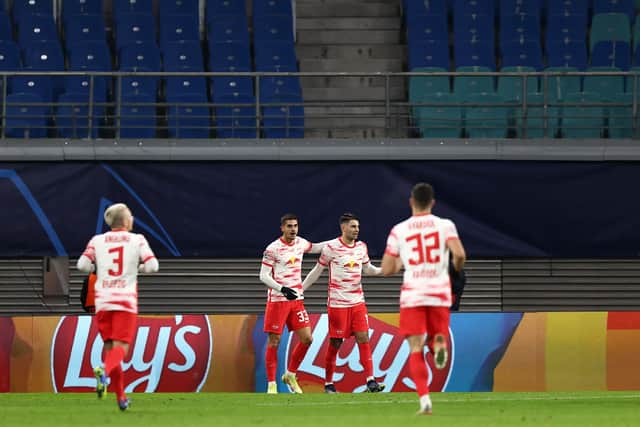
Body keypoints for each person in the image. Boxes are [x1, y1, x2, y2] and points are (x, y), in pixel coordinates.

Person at [381, 183, 466, 415]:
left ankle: (425, 400)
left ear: (411, 202)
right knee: (437, 336)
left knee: (415, 347)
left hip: (413, 294)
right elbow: (459, 254)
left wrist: (402, 262)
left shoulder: (399, 230)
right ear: (432, 203)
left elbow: (387, 269)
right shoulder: (445, 225)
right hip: (439, 292)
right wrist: (455, 269)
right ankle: (438, 343)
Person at [77, 203, 159, 411]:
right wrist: (136, 268)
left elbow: (82, 266)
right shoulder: (137, 239)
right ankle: (103, 371)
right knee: (120, 350)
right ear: (126, 220)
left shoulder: (97, 240)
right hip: (124, 301)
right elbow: (152, 266)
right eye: (131, 216)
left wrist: (101, 268)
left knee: (111, 350)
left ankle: (121, 398)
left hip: (102, 302)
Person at [302, 213, 385, 393]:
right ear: (343, 228)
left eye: (358, 227)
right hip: (338, 304)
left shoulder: (362, 247)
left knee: (363, 337)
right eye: (353, 226)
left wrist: (383, 270)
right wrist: (301, 288)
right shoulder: (331, 248)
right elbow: (317, 271)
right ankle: (329, 383)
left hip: (357, 302)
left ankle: (371, 380)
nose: (357, 230)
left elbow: (368, 269)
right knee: (336, 342)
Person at [259, 213, 328, 394]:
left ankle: (290, 374)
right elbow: (263, 275)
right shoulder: (272, 249)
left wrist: (336, 243)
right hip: (278, 300)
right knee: (274, 341)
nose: (293, 230)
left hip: (296, 300)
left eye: (295, 226)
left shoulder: (300, 243)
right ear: (282, 228)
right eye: (289, 226)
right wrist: (282, 289)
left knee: (307, 338)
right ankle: (272, 384)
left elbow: (316, 247)